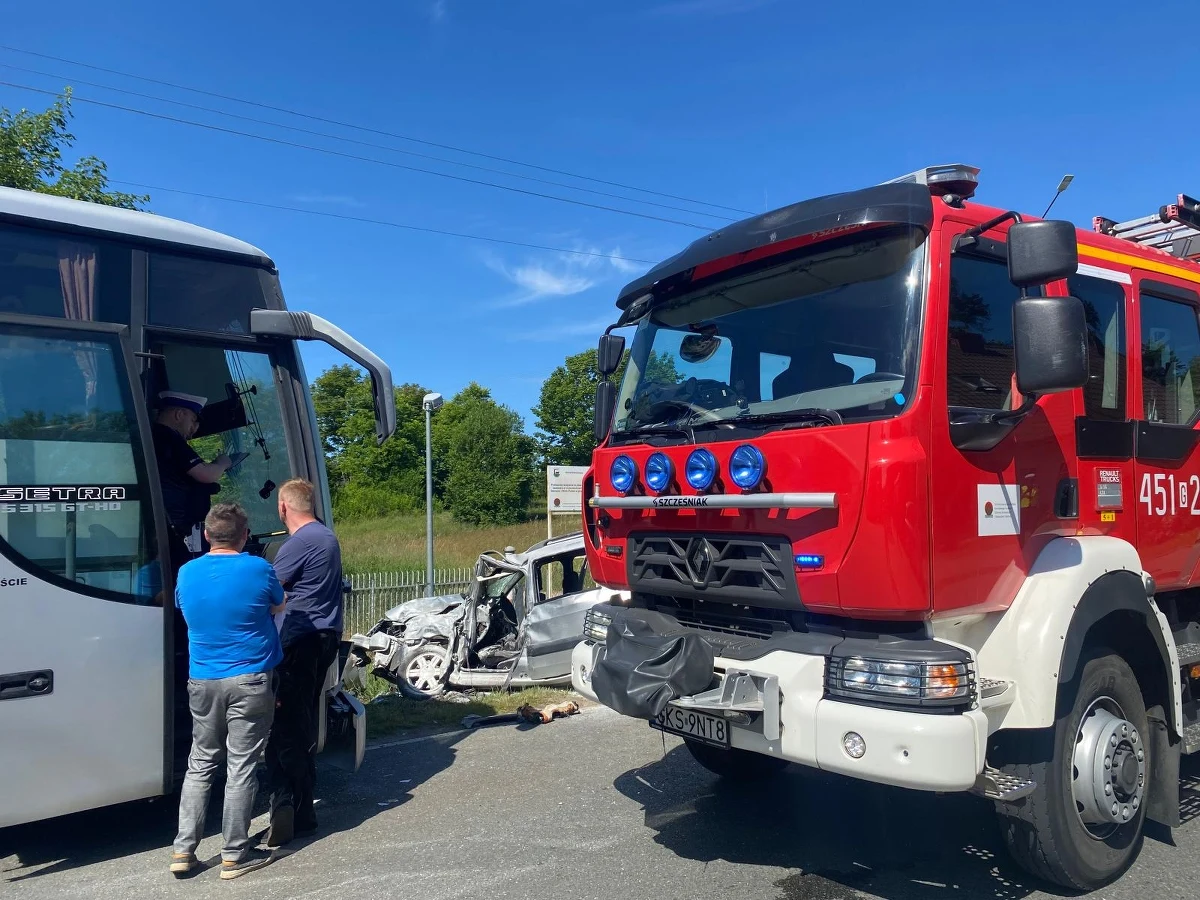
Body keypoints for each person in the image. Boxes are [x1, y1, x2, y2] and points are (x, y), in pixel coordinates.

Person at [170, 502, 285, 880]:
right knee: (241, 766)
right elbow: (279, 604)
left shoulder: (187, 572)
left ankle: (183, 851)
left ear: (206, 535)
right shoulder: (258, 568)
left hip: (202, 680)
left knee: (200, 763)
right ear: (245, 535)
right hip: (250, 680)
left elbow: (183, 608)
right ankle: (234, 854)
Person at [265, 478, 345, 847]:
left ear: (283, 507)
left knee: (285, 725)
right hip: (325, 637)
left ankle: (290, 804)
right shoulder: (326, 537)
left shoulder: (298, 543)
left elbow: (270, 591)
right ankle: (301, 805)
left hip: (298, 640)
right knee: (303, 719)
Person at [150, 391, 235, 568]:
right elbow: (205, 474)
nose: (194, 428)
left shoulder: (154, 436)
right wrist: (223, 463)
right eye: (193, 420)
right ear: (179, 415)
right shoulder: (168, 437)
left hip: (165, 523)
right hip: (169, 525)